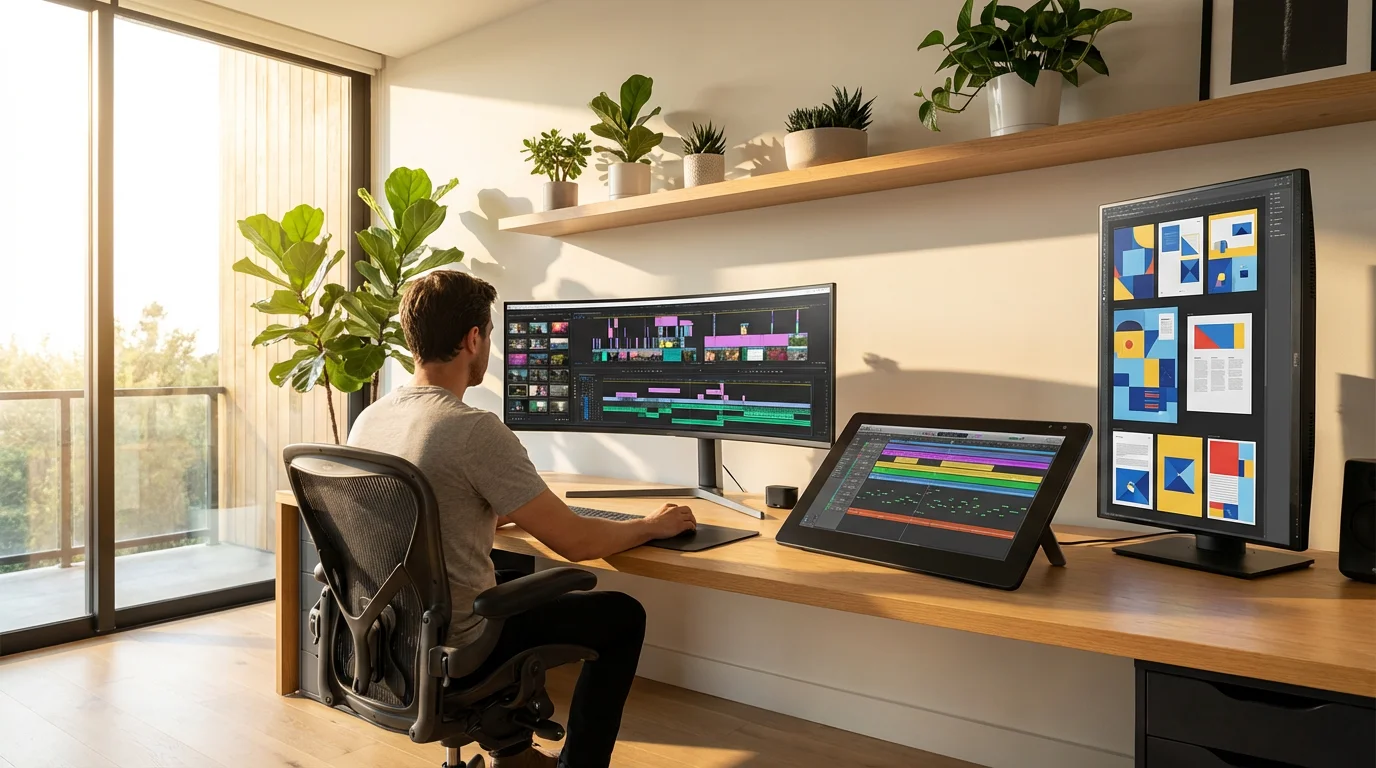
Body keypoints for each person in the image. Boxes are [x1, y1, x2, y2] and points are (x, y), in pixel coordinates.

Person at [348, 270, 696, 768]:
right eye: (488, 335)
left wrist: (482, 514)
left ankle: (512, 753)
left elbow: (409, 517)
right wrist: (650, 525)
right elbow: (575, 541)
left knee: (509, 572)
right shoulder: (472, 430)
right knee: (622, 615)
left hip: (391, 639)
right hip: (459, 645)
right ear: (473, 339)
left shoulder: (372, 418)